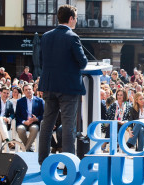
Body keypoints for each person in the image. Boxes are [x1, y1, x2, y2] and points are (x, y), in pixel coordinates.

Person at [38, 5, 88, 165]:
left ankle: (42, 161)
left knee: (47, 124)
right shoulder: (72, 37)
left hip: (49, 85)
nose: (76, 21)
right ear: (71, 18)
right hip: (68, 88)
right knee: (68, 126)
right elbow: (82, 62)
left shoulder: (45, 36)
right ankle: (69, 165)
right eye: (76, 18)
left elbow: (40, 61)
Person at [15, 84, 44, 152]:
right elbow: (17, 115)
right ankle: (29, 149)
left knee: (35, 128)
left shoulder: (40, 101)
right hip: (23, 123)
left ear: (33, 91)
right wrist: (24, 122)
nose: (28, 91)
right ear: (23, 92)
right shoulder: (20, 102)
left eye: (29, 89)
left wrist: (36, 119)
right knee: (20, 129)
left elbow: (43, 115)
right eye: (26, 90)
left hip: (34, 122)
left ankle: (25, 149)